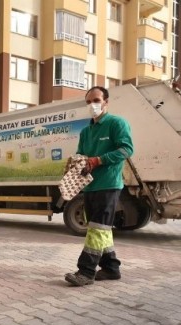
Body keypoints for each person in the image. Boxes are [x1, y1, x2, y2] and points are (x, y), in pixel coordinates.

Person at [64, 86, 134, 287]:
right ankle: (111, 268)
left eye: (96, 100)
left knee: (97, 228)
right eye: (88, 102)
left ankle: (86, 272)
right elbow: (82, 154)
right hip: (90, 186)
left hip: (108, 185)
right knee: (101, 228)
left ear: (106, 102)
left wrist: (98, 160)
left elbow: (126, 150)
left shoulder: (116, 123)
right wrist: (76, 163)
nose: (92, 105)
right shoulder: (86, 131)